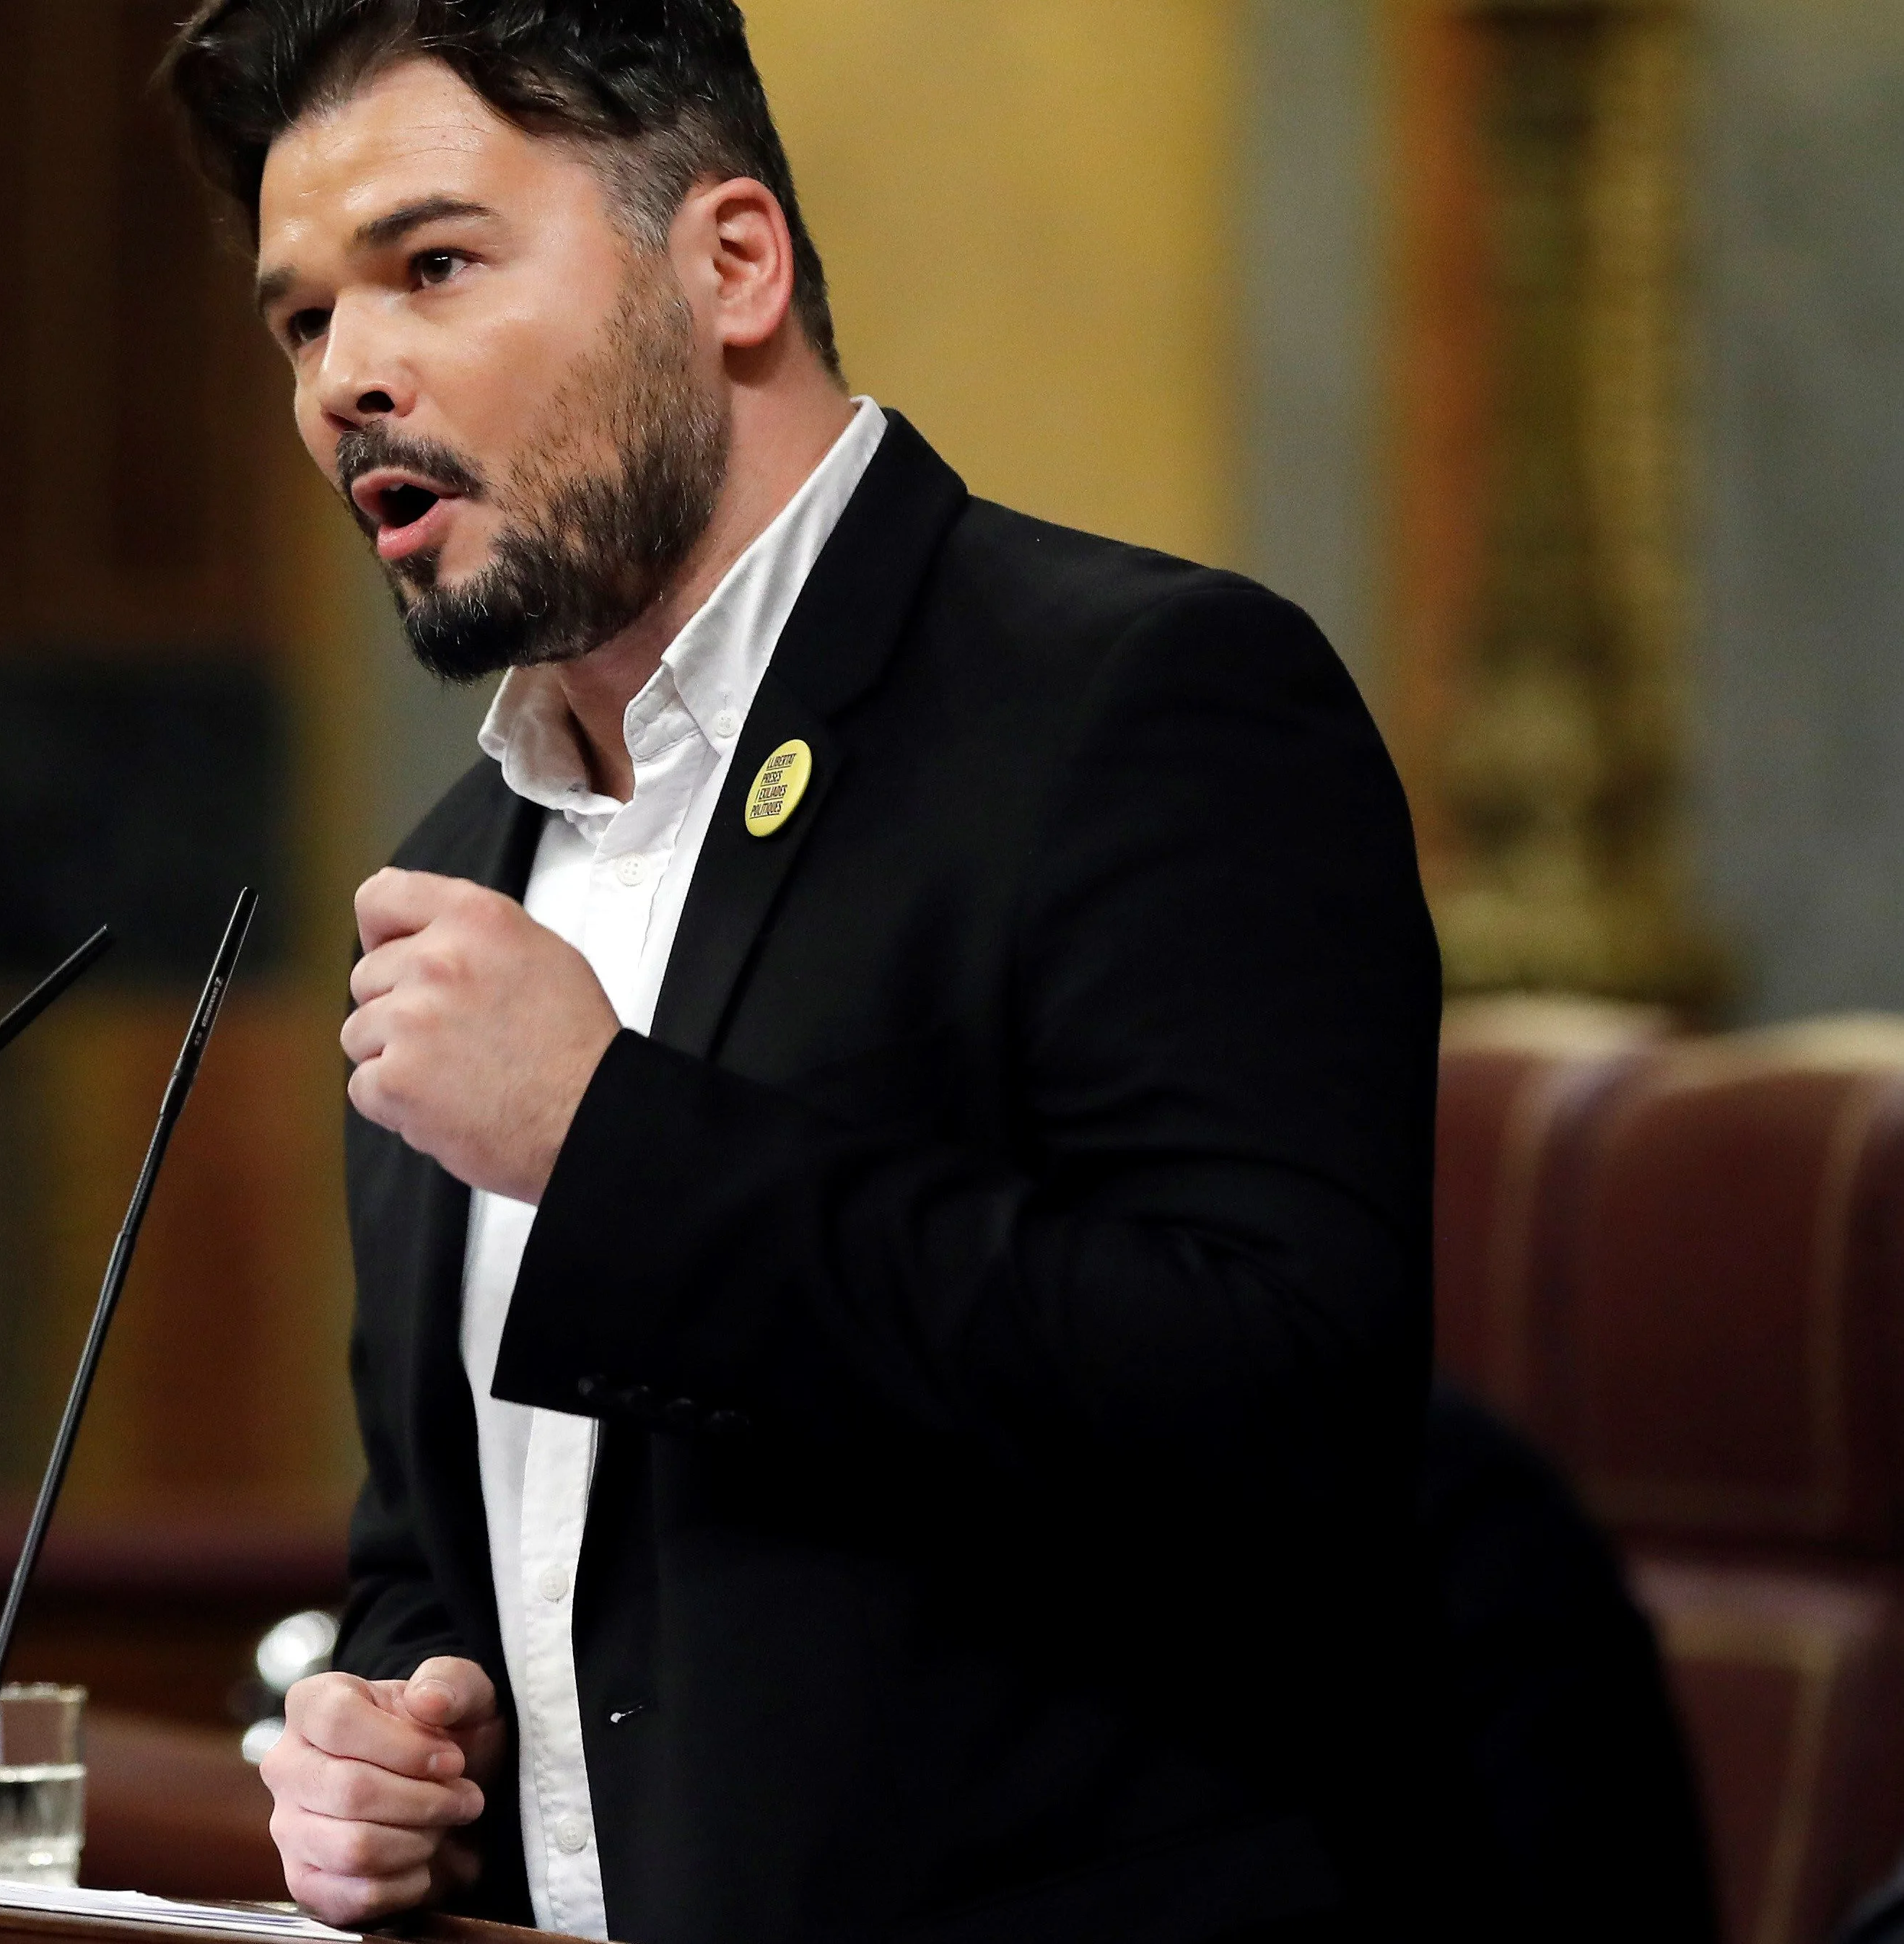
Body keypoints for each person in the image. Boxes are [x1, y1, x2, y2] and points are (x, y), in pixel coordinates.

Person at [161, 4, 1460, 1940]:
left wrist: (609, 1143)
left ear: (730, 266)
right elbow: (452, 1548)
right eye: (298, 321)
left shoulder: (1134, 699)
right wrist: (396, 1731)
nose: (347, 376)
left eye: (429, 265)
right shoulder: (452, 880)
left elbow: (1283, 1397)